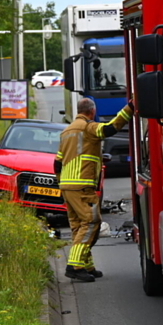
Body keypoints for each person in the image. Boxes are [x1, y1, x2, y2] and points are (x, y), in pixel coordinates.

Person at [55, 97, 133, 282]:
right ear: (91, 112)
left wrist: (62, 184)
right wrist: (130, 108)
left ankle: (86, 265)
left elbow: (57, 163)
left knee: (78, 226)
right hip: (82, 186)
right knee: (91, 223)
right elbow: (110, 128)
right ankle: (74, 266)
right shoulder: (88, 128)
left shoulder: (66, 131)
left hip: (67, 186)